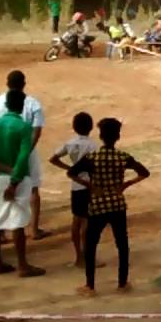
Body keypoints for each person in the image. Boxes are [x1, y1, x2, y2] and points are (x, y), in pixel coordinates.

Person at [67, 117, 151, 295]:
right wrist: (125, 185)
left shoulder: (93, 158)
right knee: (122, 244)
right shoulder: (122, 157)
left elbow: (71, 172)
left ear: (101, 136)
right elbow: (144, 172)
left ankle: (90, 285)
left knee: (91, 245)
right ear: (117, 137)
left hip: (98, 205)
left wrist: (91, 186)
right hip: (117, 204)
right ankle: (122, 283)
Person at [0, 90, 45, 277]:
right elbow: (23, 156)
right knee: (18, 220)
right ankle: (22, 265)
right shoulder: (24, 127)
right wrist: (14, 178)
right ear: (22, 105)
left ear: (7, 104)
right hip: (18, 179)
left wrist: (5, 170)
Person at [0, 71, 49, 239]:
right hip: (26, 151)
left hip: (2, 153)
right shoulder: (32, 103)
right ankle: (34, 229)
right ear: (24, 83)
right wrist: (26, 151)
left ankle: (0, 232)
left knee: (2, 188)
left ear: (7, 83)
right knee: (33, 189)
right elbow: (36, 131)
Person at [50, 112, 100, 268]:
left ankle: (78, 257)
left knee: (76, 221)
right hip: (88, 184)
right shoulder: (92, 145)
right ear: (91, 127)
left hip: (75, 186)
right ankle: (87, 257)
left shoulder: (70, 143)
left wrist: (70, 168)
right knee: (87, 222)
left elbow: (53, 159)